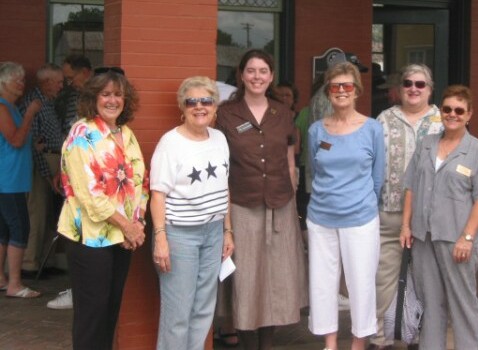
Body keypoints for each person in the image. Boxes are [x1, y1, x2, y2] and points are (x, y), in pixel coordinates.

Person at [215, 49, 307, 350]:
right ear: (241, 75)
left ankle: (268, 343)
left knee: (276, 278)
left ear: (271, 75)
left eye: (263, 71)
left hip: (280, 205)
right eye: (251, 71)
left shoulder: (283, 113)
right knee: (247, 277)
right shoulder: (226, 113)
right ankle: (245, 340)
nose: (257, 76)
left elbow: (289, 157)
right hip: (242, 204)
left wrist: (291, 194)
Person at [57, 67, 148, 350]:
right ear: (93, 98)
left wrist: (138, 222)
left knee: (110, 310)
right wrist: (128, 226)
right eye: (105, 94)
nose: (112, 100)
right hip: (89, 236)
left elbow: (140, 183)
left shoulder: (126, 133)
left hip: (121, 236)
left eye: (118, 95)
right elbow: (89, 194)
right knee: (92, 314)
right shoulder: (82, 133)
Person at [401, 85, 478, 350]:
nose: (452, 114)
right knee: (430, 303)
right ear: (440, 111)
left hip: (456, 240)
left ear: (469, 115)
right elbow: (411, 186)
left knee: (463, 302)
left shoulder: (477, 151)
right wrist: (406, 225)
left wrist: (467, 237)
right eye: (447, 109)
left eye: (459, 110)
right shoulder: (427, 144)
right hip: (423, 237)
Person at [150, 76, 234, 349]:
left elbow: (225, 188)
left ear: (215, 106)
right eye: (192, 102)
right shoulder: (170, 143)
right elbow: (157, 194)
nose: (200, 107)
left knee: (202, 309)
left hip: (213, 232)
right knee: (178, 312)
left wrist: (227, 230)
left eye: (206, 101)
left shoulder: (219, 138)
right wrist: (161, 238)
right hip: (179, 235)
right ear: (182, 108)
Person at [306, 61, 385, 350]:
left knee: (361, 282)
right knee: (322, 282)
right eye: (335, 86)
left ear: (357, 91)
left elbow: (378, 177)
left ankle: (358, 342)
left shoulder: (372, 128)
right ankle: (330, 342)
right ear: (328, 92)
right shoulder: (317, 130)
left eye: (347, 86)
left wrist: (361, 203)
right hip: (321, 217)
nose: (341, 91)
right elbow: (313, 170)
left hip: (361, 217)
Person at [369, 64, 443, 350]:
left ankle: (424, 337)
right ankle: (378, 338)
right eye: (408, 83)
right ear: (399, 89)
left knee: (428, 279)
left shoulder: (443, 120)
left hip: (430, 216)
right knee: (382, 278)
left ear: (430, 88)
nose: (414, 88)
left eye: (420, 84)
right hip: (390, 211)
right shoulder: (383, 120)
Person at [47, 55, 93, 310]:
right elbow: (70, 135)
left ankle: (79, 290)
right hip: (73, 169)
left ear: (85, 72)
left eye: (71, 77)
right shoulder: (76, 97)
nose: (68, 83)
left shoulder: (98, 96)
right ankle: (77, 288)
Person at [0, 61, 42, 298]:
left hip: (11, 178)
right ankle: (15, 283)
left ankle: (2, 278)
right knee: (19, 227)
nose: (22, 84)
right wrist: (29, 115)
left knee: (4, 229)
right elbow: (15, 140)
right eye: (18, 80)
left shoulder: (10, 107)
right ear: (4, 83)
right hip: (8, 179)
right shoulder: (3, 107)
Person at [19, 63, 65, 275]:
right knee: (37, 213)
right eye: (59, 82)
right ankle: (29, 264)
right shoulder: (34, 103)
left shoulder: (47, 102)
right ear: (46, 82)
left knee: (49, 215)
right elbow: (33, 144)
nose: (61, 86)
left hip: (52, 161)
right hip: (42, 163)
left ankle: (45, 262)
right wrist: (47, 174)